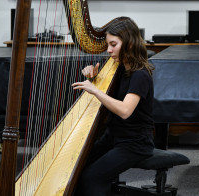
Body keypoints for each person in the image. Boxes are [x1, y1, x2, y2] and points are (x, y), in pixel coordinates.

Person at [72, 17, 155, 196]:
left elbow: (125, 111)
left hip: (134, 143)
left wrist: (95, 90)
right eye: (108, 45)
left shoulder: (140, 74)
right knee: (74, 166)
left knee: (92, 178)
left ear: (130, 44)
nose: (109, 50)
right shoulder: (119, 69)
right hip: (114, 137)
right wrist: (93, 78)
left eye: (113, 44)